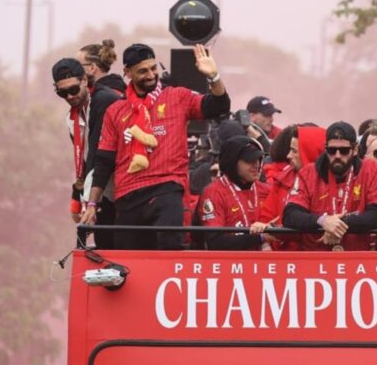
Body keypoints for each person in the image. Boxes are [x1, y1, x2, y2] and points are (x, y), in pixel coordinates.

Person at [84, 43, 230, 250]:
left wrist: (213, 77)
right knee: (128, 259)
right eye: (142, 71)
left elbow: (220, 106)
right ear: (127, 72)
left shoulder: (177, 97)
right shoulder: (115, 111)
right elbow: (104, 162)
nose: (151, 75)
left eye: (153, 68)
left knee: (168, 248)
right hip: (127, 195)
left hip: (167, 187)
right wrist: (92, 204)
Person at [282, 121, 377, 251]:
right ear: (325, 149)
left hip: (356, 256)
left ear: (355, 150)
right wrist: (323, 221)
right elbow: (290, 215)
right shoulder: (308, 173)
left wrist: (338, 226)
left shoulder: (370, 169)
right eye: (332, 150)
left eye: (344, 151)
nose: (337, 156)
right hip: (316, 256)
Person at [52, 57, 121, 249]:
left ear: (84, 80)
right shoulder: (72, 118)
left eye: (73, 90)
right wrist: (78, 194)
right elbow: (83, 158)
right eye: (62, 93)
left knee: (122, 251)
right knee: (104, 249)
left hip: (124, 190)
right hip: (103, 193)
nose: (69, 97)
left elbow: (100, 156)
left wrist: (90, 202)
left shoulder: (103, 101)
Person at [197, 136, 274, 250]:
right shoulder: (214, 193)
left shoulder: (267, 190)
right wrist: (260, 237)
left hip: (265, 259)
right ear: (232, 162)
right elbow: (216, 242)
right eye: (249, 160)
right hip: (229, 260)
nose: (256, 164)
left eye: (259, 158)